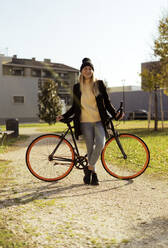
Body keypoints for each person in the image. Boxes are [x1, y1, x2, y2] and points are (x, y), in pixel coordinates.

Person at [56, 58, 123, 186]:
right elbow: (75, 107)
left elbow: (107, 103)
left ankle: (89, 168)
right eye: (85, 69)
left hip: (98, 121)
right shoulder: (77, 87)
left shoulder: (99, 84)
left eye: (90, 69)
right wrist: (63, 115)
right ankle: (93, 176)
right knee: (90, 149)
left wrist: (115, 114)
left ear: (93, 71)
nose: (88, 71)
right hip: (85, 122)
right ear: (81, 71)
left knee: (100, 144)